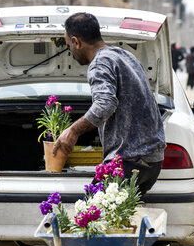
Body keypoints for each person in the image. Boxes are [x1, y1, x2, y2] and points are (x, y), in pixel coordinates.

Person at [53, 12, 166, 208]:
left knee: (89, 219)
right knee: (118, 224)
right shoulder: (125, 56)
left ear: (75, 41)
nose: (70, 49)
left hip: (129, 161)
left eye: (68, 44)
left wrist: (72, 131)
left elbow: (105, 104)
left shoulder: (100, 62)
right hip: (151, 162)